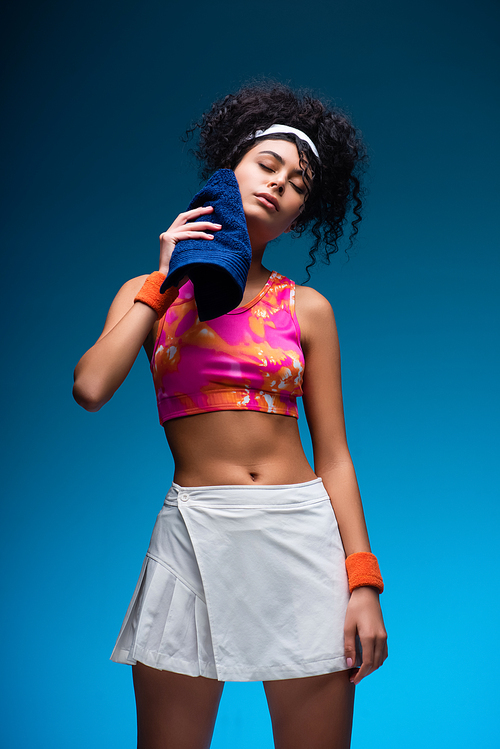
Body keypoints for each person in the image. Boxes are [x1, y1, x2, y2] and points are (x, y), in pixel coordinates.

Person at [73, 82, 388, 749]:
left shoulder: (307, 309)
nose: (280, 184)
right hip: (192, 531)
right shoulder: (147, 293)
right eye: (266, 165)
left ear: (301, 216)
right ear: (227, 172)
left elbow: (334, 452)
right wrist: (164, 280)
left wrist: (363, 582)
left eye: (298, 183)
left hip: (301, 538)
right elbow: (92, 387)